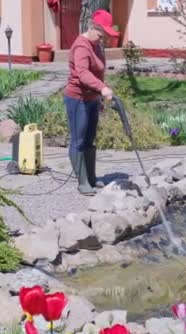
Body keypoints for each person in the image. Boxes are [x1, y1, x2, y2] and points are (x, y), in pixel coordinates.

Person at [64, 9, 118, 196]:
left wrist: (100, 93)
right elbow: (83, 73)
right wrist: (102, 88)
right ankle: (83, 182)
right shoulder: (81, 46)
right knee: (79, 141)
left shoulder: (95, 45)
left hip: (92, 98)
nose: (103, 40)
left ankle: (92, 178)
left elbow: (98, 72)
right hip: (77, 98)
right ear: (92, 28)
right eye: (102, 35)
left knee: (90, 139)